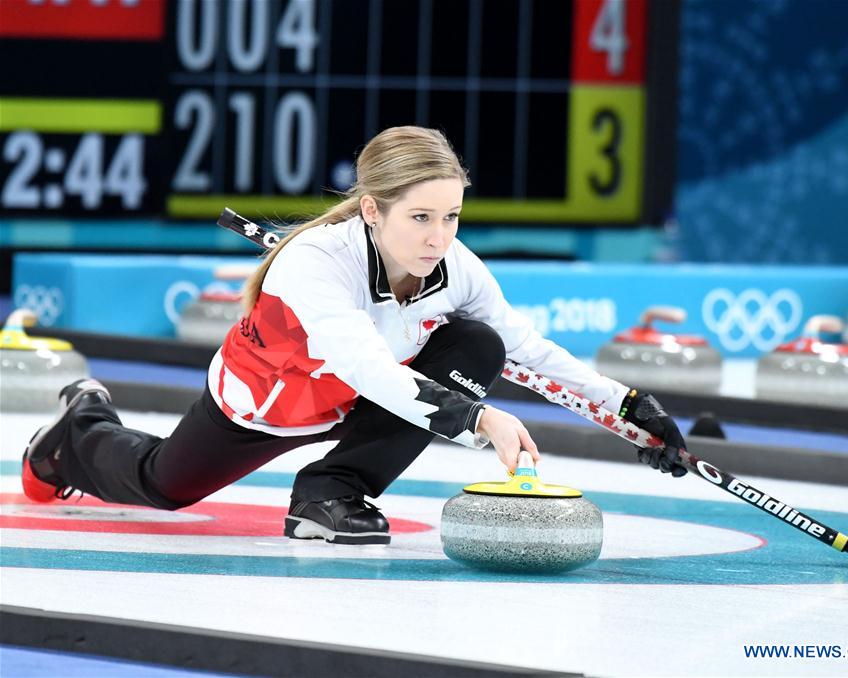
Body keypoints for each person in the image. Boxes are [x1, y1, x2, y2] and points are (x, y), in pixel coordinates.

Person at [22, 126, 687, 545]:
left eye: (452, 216)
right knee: (165, 486)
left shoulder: (456, 268)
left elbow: (526, 350)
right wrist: (480, 420)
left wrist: (632, 413)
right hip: (264, 404)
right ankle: (76, 431)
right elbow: (366, 366)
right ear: (372, 210)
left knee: (478, 343)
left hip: (360, 401)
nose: (439, 237)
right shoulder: (316, 262)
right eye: (421, 216)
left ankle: (331, 493)